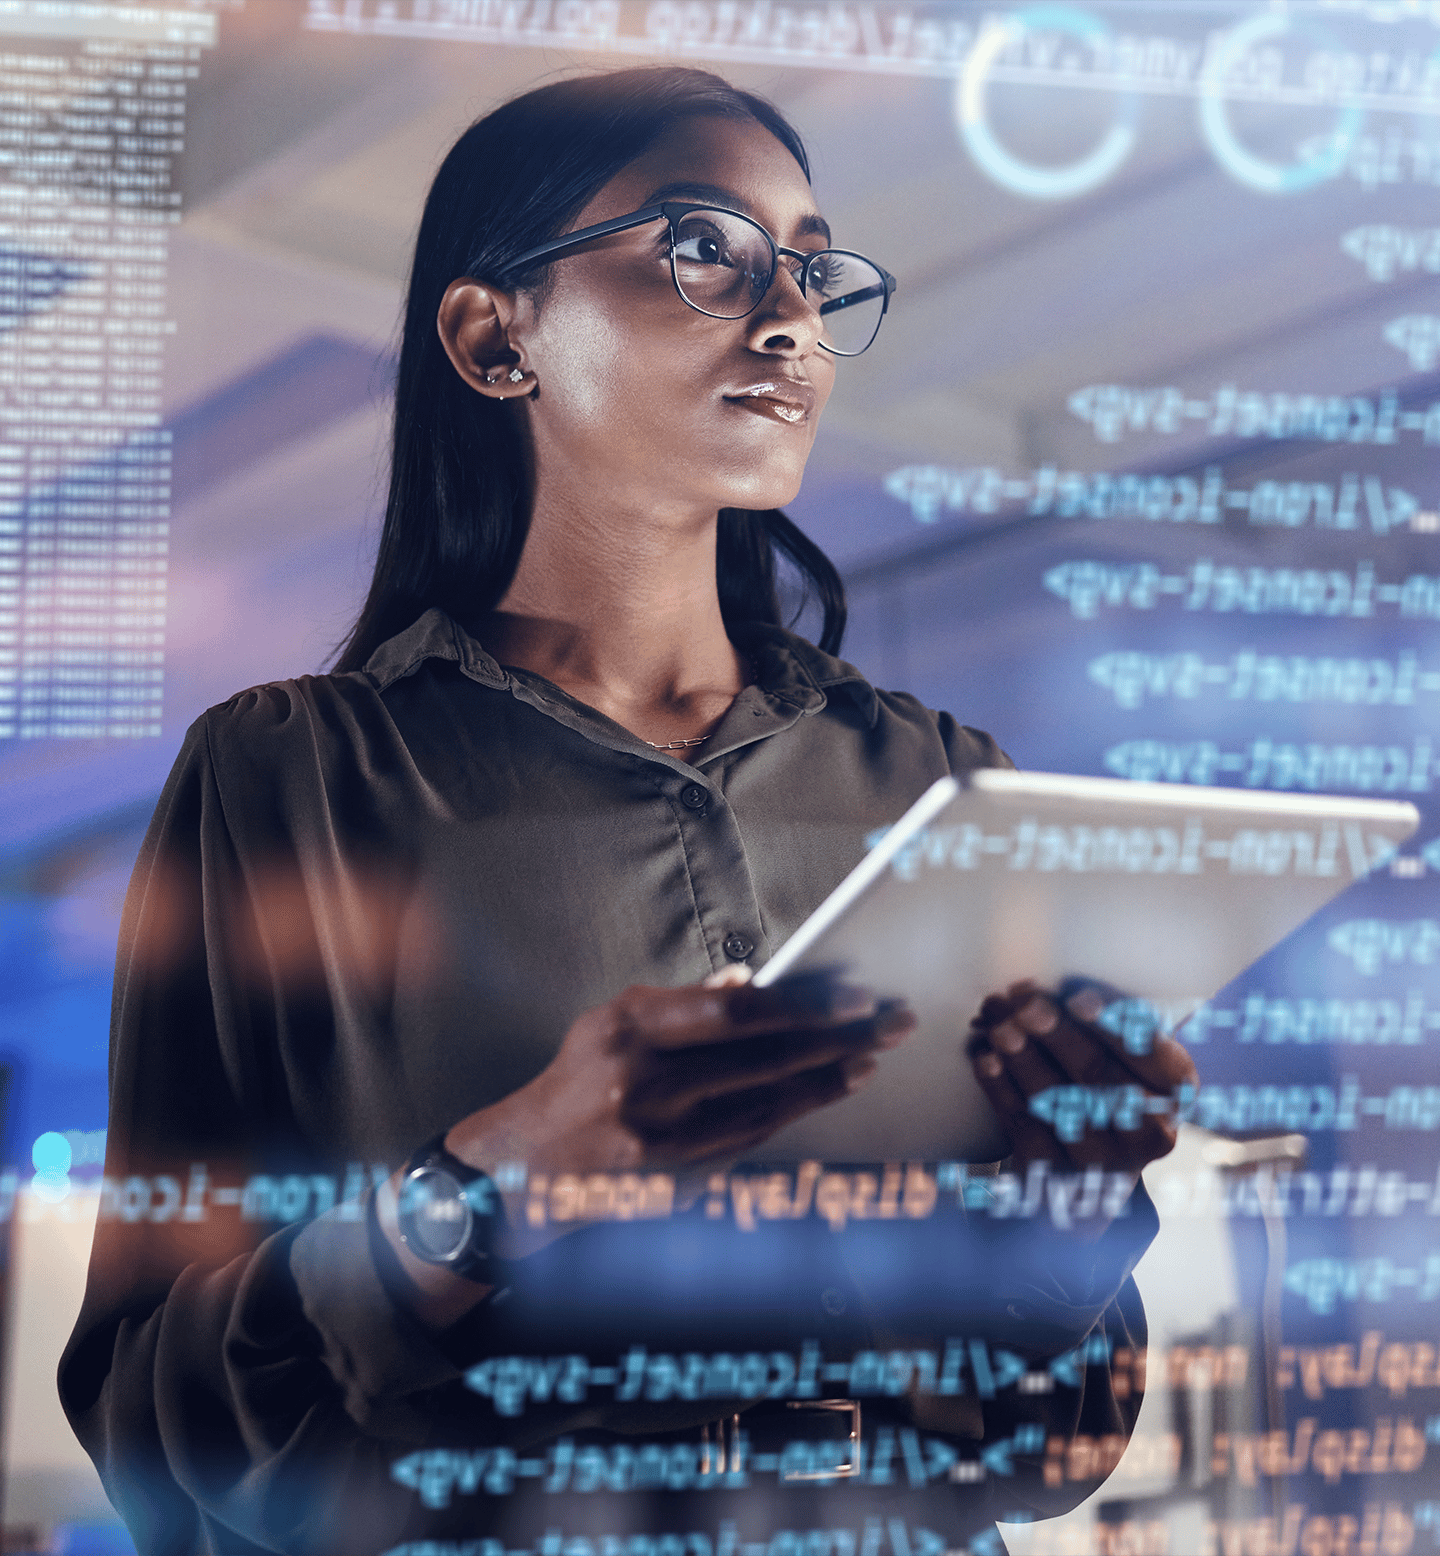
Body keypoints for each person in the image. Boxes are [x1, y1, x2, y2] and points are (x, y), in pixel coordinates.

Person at [58, 66, 1197, 1556]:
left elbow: (1052, 1456)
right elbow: (156, 1421)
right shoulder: (294, 779)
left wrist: (1062, 1215)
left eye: (809, 263)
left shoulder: (937, 783)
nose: (788, 317)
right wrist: (490, 1189)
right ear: (494, 335)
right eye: (702, 248)